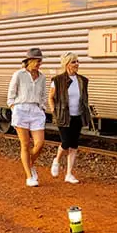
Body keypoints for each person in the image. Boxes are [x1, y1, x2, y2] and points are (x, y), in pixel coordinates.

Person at [48, 52, 93, 184]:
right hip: (63, 116)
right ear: (67, 64)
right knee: (66, 142)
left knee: (74, 145)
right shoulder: (57, 80)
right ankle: (56, 160)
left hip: (77, 116)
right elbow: (50, 97)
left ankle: (69, 174)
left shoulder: (82, 80)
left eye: (77, 61)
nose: (77, 64)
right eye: (73, 62)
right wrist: (54, 111)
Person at [7, 48, 48, 187]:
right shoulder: (19, 74)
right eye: (37, 61)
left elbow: (43, 95)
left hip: (36, 111)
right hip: (21, 110)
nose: (39, 63)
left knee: (40, 144)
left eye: (40, 61)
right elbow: (11, 94)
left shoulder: (42, 77)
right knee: (25, 144)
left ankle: (29, 164)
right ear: (29, 61)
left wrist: (42, 108)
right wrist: (14, 109)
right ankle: (29, 176)